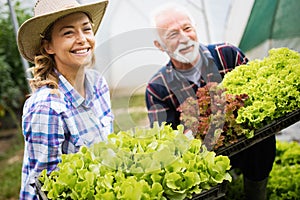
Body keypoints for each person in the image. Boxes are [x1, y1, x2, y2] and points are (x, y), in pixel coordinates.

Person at [145, 3, 276, 200]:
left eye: (187, 28)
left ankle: (256, 191)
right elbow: (166, 140)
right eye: (172, 34)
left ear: (195, 28)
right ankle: (218, 189)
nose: (184, 38)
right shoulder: (158, 87)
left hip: (247, 144)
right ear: (159, 45)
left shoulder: (227, 55)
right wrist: (191, 135)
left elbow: (258, 99)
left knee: (263, 136)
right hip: (205, 154)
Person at [17, 0, 112, 199]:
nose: (82, 39)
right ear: (48, 46)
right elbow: (47, 188)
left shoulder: (98, 84)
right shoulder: (47, 106)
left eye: (86, 29)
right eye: (68, 33)